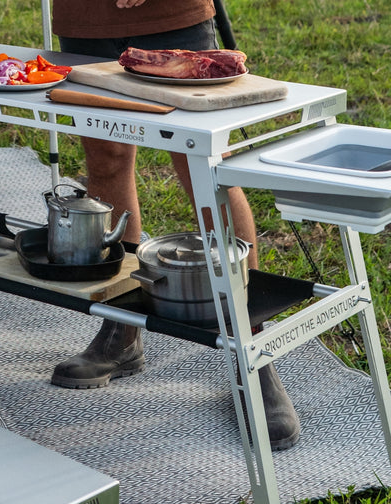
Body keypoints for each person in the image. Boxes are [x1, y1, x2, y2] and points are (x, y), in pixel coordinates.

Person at [50, 0, 300, 451]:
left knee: (201, 167)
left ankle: (253, 351)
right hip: (83, 18)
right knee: (105, 161)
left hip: (171, 17)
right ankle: (121, 330)